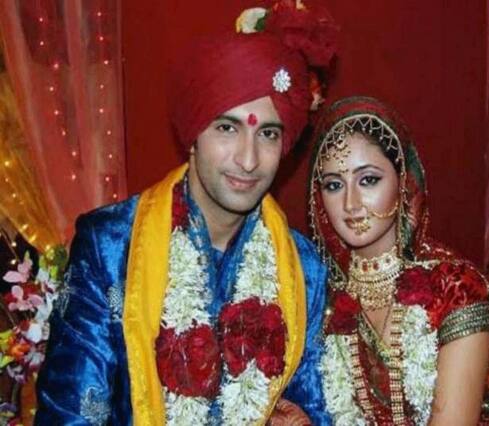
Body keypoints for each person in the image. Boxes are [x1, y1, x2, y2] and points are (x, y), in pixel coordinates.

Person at [35, 2, 337, 424]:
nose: (248, 159)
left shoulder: (305, 270)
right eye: (227, 128)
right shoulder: (109, 247)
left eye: (268, 133)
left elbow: (318, 407)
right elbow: (71, 411)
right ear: (193, 135)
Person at [308, 96, 489, 425]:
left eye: (368, 180)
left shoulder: (455, 288)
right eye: (334, 185)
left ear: (404, 183)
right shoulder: (323, 299)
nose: (350, 204)